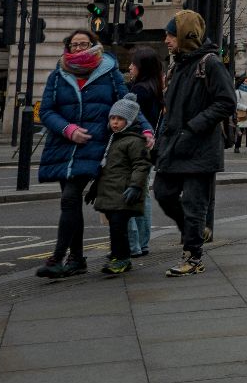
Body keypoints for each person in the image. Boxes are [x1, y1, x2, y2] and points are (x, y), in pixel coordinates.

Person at [35, 29, 145, 279]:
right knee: (70, 202)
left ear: (94, 46)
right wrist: (67, 129)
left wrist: (146, 130)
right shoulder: (58, 74)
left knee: (70, 198)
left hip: (96, 146)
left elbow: (127, 106)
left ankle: (58, 257)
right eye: (74, 44)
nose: (78, 48)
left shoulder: (109, 72)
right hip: (64, 145)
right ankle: (76, 259)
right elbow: (47, 111)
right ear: (68, 47)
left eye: (84, 43)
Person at [154, 10, 235, 277]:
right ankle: (195, 230)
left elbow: (226, 102)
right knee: (163, 192)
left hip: (200, 146)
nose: (166, 39)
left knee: (194, 203)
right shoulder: (177, 65)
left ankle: (193, 257)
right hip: (175, 145)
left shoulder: (210, 63)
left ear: (185, 35)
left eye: (170, 34)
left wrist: (194, 127)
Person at [88, 96, 152, 277]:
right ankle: (118, 256)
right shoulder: (112, 139)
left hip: (123, 192)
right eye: (112, 118)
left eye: (119, 119)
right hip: (110, 192)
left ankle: (122, 258)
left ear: (129, 121)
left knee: (119, 227)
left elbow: (141, 165)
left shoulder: (133, 141)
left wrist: (135, 186)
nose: (115, 122)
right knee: (115, 227)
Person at [123, 48, 165, 258]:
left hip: (133, 147)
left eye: (133, 64)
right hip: (148, 149)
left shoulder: (138, 92)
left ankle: (132, 244)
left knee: (128, 194)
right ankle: (143, 242)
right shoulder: (155, 89)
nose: (130, 67)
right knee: (143, 194)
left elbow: (127, 119)